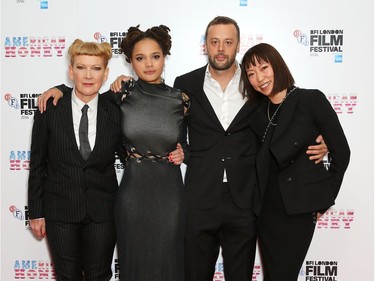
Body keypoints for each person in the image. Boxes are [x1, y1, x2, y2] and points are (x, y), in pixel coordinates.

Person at [109, 16, 328, 281]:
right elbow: (171, 134)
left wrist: (319, 140)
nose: (221, 48)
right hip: (199, 198)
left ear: (238, 45)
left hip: (245, 199)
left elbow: (284, 121)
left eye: (227, 42)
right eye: (215, 42)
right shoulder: (185, 85)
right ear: (206, 46)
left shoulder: (256, 85)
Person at [36, 25, 188, 281]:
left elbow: (197, 141)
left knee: (169, 263)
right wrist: (60, 90)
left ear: (165, 57)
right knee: (131, 264)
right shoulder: (122, 95)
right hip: (132, 195)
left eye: (155, 56)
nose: (149, 64)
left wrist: (186, 152)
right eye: (140, 58)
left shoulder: (182, 99)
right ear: (130, 62)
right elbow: (86, 93)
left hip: (169, 195)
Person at [240, 42, 351, 281]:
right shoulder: (256, 112)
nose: (259, 78)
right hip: (265, 210)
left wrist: (322, 199)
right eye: (251, 74)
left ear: (276, 65)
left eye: (264, 68)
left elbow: (342, 152)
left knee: (284, 275)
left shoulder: (310, 100)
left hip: (299, 208)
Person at [28, 39, 123, 280]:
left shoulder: (116, 109)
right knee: (67, 275)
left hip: (103, 210)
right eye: (81, 67)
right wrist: (36, 212)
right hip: (60, 210)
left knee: (99, 275)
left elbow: (132, 153)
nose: (88, 75)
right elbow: (38, 164)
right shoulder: (50, 108)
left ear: (106, 73)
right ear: (71, 72)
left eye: (96, 68)